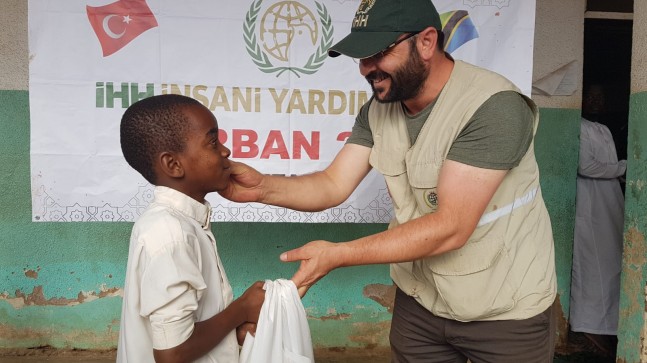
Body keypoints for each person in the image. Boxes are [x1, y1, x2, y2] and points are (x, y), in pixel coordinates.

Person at [221, 0, 557, 361]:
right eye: (361, 58)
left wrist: (338, 255)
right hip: (421, 303)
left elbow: (451, 226)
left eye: (378, 53)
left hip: (503, 311)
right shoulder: (380, 108)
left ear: (427, 42)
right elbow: (334, 183)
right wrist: (263, 188)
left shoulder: (493, 107)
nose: (368, 69)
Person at [117, 94, 265, 363]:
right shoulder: (170, 232)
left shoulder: (183, 223)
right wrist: (241, 310)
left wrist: (233, 333)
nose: (225, 151)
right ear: (173, 164)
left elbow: (194, 325)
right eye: (212, 142)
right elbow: (172, 353)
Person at [569, 84, 626, 357]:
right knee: (592, 269)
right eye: (590, 96)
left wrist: (619, 171)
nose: (594, 101)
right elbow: (586, 166)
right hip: (591, 208)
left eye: (599, 97)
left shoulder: (602, 128)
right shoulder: (578, 126)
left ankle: (606, 327)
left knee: (611, 265)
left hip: (610, 205)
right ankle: (586, 326)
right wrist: (624, 167)